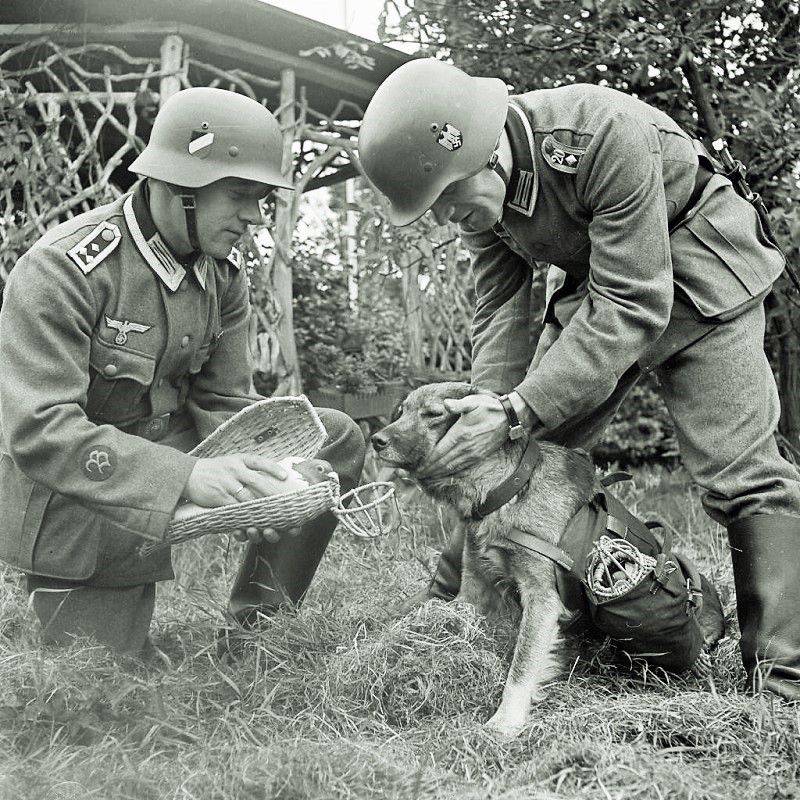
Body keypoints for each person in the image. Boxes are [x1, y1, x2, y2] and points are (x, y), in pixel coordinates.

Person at [358, 58, 800, 700]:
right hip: (604, 290)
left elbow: (635, 302)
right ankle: (448, 611)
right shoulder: (481, 205)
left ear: (483, 155)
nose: (445, 220)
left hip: (705, 273)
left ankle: (784, 681)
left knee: (742, 471)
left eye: (447, 200)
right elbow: (500, 310)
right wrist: (490, 413)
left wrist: (519, 411)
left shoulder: (602, 135)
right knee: (509, 456)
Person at [0, 87, 365, 657]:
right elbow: (42, 432)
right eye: (240, 195)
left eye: (263, 198)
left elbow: (224, 401)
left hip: (175, 448)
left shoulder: (222, 276)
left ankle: (256, 630)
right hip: (81, 486)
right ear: (179, 188)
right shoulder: (62, 271)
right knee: (97, 689)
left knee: (333, 436)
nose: (254, 218)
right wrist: (185, 480)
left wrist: (256, 486)